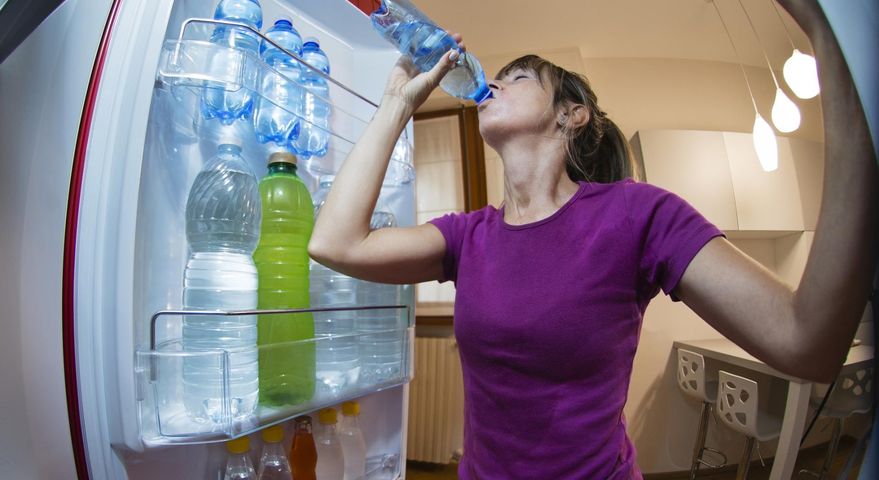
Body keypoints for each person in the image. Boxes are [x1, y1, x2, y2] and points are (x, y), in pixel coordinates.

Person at [308, 0, 877, 477]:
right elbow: (337, 244)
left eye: (520, 75)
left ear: (571, 115)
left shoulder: (637, 214)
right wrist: (397, 104)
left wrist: (837, 42)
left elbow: (806, 341)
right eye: (499, 74)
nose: (495, 80)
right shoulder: (468, 235)